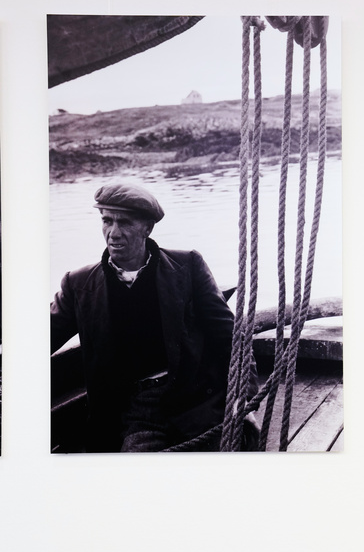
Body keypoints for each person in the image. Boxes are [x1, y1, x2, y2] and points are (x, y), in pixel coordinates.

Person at [51, 182, 234, 452]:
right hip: (135, 410)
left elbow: (229, 337)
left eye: (124, 222)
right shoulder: (78, 285)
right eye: (107, 221)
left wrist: (242, 399)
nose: (113, 233)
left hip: (196, 401)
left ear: (147, 228)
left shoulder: (188, 267)